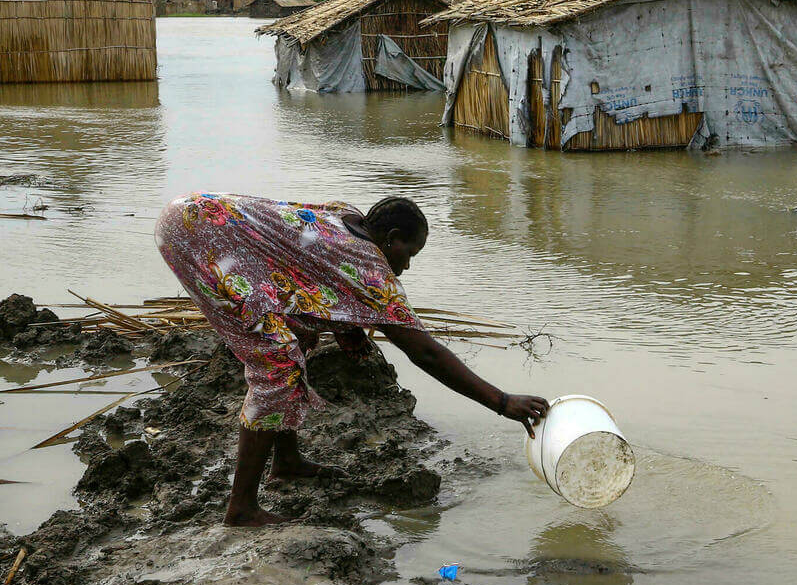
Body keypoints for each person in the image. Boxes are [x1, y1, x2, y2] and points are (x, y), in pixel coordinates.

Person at [154, 192, 549, 527]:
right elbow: (425, 351)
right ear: (392, 239)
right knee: (277, 366)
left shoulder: (348, 216)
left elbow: (317, 264)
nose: (407, 266)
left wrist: (350, 326)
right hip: (197, 237)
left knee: (301, 335)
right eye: (409, 254)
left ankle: (287, 461)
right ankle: (242, 509)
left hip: (195, 215)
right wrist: (500, 401)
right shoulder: (371, 269)